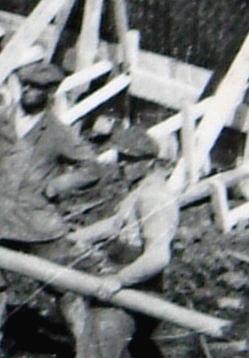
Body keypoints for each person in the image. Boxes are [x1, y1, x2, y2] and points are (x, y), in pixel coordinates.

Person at [0, 61, 102, 358]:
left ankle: (87, 349)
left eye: (37, 88)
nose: (28, 91)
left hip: (39, 224)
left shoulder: (58, 132)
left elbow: (91, 168)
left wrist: (58, 186)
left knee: (63, 285)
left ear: (50, 93)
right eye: (25, 84)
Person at [66, 128, 180, 358]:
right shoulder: (140, 189)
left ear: (149, 162)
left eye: (130, 160)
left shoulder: (153, 197)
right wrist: (75, 237)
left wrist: (119, 280)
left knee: (98, 346)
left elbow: (158, 256)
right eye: (121, 157)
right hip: (126, 279)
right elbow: (117, 224)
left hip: (136, 289)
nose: (122, 164)